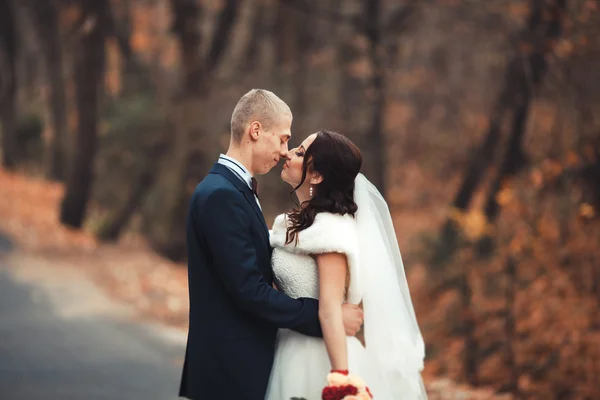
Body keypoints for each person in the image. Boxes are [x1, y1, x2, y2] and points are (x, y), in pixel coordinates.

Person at [178, 90, 364, 400]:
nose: (284, 151)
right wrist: (325, 316)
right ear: (255, 131)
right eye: (282, 139)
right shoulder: (222, 195)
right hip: (229, 371)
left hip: (255, 364)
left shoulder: (233, 190)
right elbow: (249, 290)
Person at [266, 130, 428, 399]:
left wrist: (340, 380)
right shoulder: (293, 225)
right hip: (289, 346)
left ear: (316, 176)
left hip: (318, 356)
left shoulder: (330, 230)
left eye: (300, 152)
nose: (288, 153)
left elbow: (330, 309)